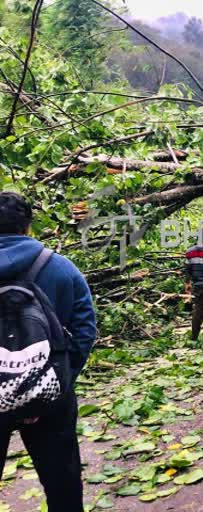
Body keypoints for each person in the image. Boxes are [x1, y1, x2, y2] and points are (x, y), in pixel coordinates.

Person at [0, 192, 97, 511]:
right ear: (28, 226)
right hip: (50, 396)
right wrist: (60, 380)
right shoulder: (59, 266)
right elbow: (85, 329)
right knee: (63, 485)